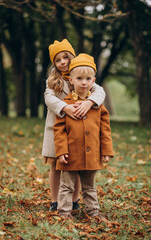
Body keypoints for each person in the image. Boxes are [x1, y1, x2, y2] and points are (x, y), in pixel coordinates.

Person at [42, 39, 106, 211]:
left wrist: (89, 102)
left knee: (76, 163)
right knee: (56, 165)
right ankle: (56, 200)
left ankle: (74, 200)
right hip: (57, 126)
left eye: (65, 57)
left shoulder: (81, 73)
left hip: (77, 129)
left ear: (72, 56)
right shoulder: (53, 80)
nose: (62, 62)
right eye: (57, 60)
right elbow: (49, 98)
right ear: (54, 64)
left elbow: (100, 91)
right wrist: (65, 107)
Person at [53, 53, 114, 219]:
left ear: (93, 81)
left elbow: (105, 130)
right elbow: (59, 130)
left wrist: (106, 150)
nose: (84, 82)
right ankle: (64, 213)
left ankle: (93, 211)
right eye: (79, 78)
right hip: (70, 154)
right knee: (66, 185)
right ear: (71, 80)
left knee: (89, 186)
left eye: (88, 78)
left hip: (91, 153)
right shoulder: (65, 105)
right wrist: (60, 151)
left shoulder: (97, 106)